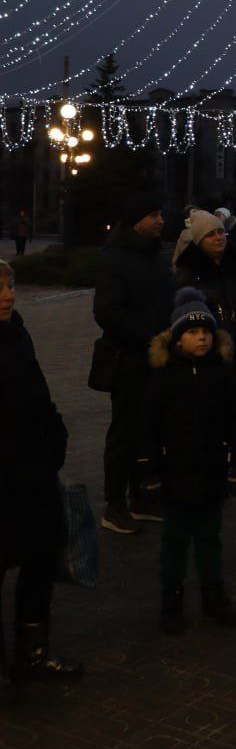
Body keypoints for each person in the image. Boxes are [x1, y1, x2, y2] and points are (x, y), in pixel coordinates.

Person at [0, 260, 83, 687]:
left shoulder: (18, 331)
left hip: (33, 471)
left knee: (40, 558)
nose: (9, 295)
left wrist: (55, 434)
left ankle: (33, 654)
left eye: (9, 285)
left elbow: (37, 390)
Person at [141, 289, 236, 634]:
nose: (201, 338)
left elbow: (235, 419)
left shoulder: (221, 374)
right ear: (177, 339)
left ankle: (213, 594)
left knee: (210, 537)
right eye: (193, 332)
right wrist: (150, 469)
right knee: (175, 539)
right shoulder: (164, 377)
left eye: (206, 332)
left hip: (211, 467)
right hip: (176, 470)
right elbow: (149, 426)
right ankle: (172, 598)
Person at [94, 190, 173, 535]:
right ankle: (114, 504)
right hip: (128, 358)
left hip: (158, 357)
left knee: (151, 429)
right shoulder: (116, 256)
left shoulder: (155, 254)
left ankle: (142, 496)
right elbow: (107, 311)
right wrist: (149, 338)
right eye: (152, 214)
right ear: (135, 219)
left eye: (160, 213)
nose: (160, 220)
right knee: (125, 431)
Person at [174, 211, 236, 499]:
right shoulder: (188, 274)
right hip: (213, 357)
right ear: (199, 239)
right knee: (215, 418)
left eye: (221, 232)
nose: (218, 238)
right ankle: (216, 474)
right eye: (211, 234)